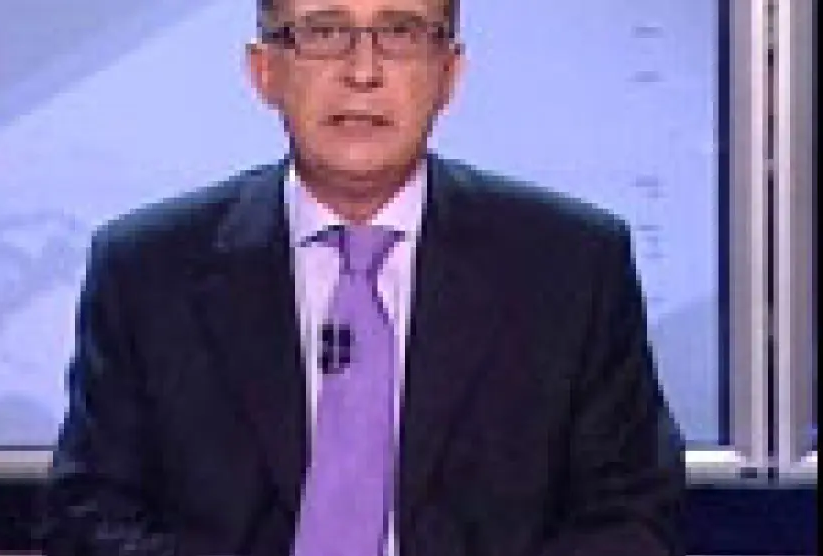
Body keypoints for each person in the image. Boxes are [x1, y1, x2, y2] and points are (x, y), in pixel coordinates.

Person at [38, 0, 686, 554]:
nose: (363, 72)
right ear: (265, 71)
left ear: (449, 74)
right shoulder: (147, 270)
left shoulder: (569, 267)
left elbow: (628, 518)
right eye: (324, 32)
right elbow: (89, 518)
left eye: (401, 32)